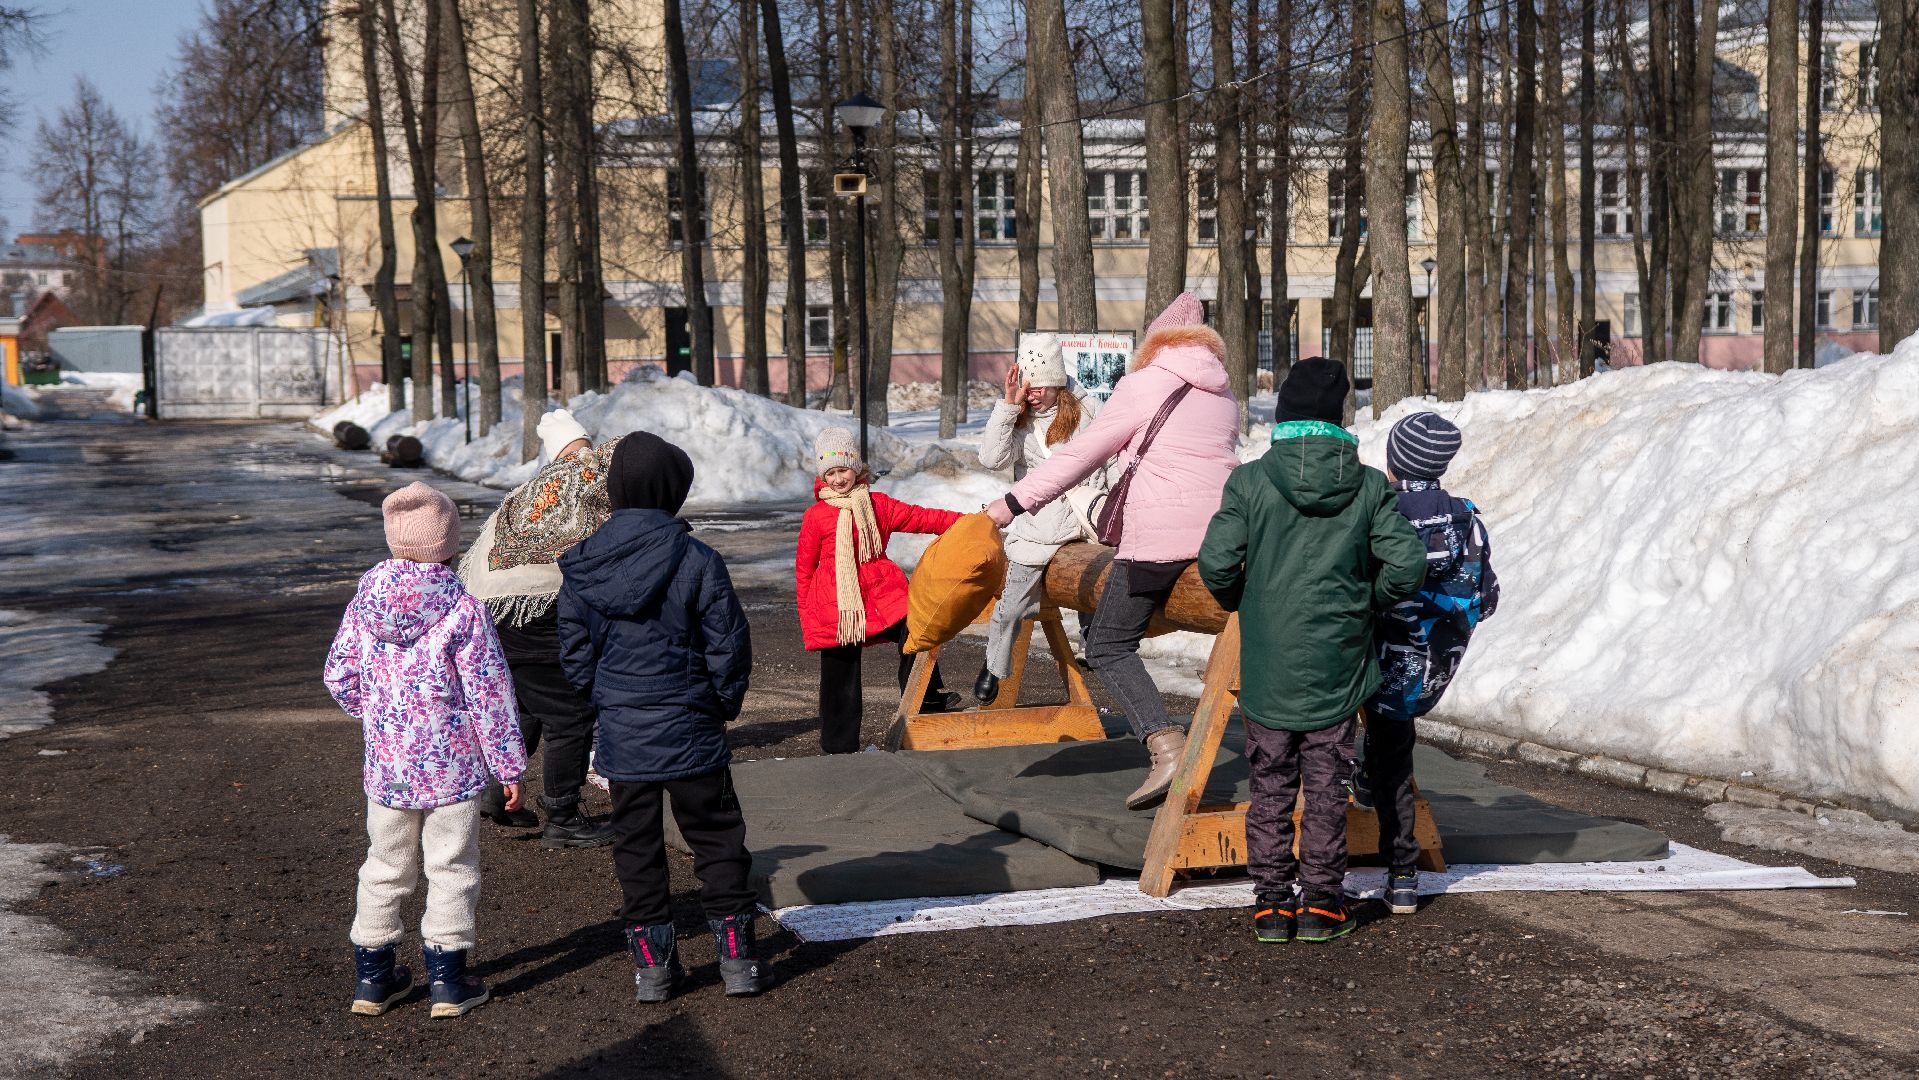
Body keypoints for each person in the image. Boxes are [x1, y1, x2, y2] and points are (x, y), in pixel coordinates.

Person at [1197, 359, 1426, 945]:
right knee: (1327, 785)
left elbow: (1216, 563)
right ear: (1337, 418)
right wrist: (1367, 599)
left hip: (1270, 659)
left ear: (1284, 414)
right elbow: (1407, 565)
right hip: (1338, 661)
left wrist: (1246, 602)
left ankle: (1272, 906)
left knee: (1270, 782)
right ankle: (1322, 905)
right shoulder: (1369, 486)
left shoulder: (1250, 481)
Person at [985, 293, 1241, 810]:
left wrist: (1014, 501)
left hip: (1158, 539)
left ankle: (1166, 746)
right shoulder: (1223, 392)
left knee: (1106, 643)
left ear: (1158, 342)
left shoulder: (1143, 384)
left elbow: (1082, 455)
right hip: (1221, 533)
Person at [557, 432, 767, 1001]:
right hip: (691, 722)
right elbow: (728, 644)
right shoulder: (698, 560)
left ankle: (653, 969)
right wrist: (722, 703)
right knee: (718, 839)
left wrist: (603, 701)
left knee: (636, 846)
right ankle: (738, 961)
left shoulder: (584, 564)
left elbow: (574, 652)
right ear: (673, 491)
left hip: (624, 731)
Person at [325, 481, 527, 1018]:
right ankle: (448, 983)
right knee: (451, 867)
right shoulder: (464, 609)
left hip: (389, 769)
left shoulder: (365, 602)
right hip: (452, 770)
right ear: (450, 545)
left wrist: (380, 715)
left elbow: (339, 674)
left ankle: (373, 981)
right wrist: (509, 765)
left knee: (384, 865)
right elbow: (489, 694)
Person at [458, 408, 616, 849]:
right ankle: (563, 817)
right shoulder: (588, 482)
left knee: (527, 705)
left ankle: (494, 791)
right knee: (571, 716)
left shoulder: (523, 494)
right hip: (539, 613)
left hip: (492, 612)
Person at [1361, 412, 1499, 916]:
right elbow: (1487, 598)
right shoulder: (1468, 520)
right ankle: (1403, 880)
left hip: (1370, 660)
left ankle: (1330, 867)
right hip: (1431, 668)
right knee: (1393, 752)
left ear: (1393, 463)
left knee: (1360, 750)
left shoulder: (1379, 514)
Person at [796, 427, 964, 754]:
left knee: (917, 630)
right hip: (837, 604)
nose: (838, 479)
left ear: (856, 467)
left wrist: (969, 521)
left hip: (881, 593)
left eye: (843, 470)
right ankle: (839, 746)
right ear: (822, 477)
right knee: (839, 674)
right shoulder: (815, 516)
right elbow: (805, 569)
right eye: (830, 473)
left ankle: (926, 701)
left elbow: (921, 517)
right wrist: (808, 617)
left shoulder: (878, 505)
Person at [972, 333, 1109, 704]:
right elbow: (992, 459)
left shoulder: (1087, 409)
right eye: (1027, 387)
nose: (1032, 395)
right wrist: (1007, 406)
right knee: (1012, 604)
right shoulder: (1020, 419)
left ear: (1057, 384)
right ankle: (994, 663)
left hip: (1087, 516)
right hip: (1039, 524)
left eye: (1040, 388)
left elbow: (1111, 457)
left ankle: (1098, 644)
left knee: (1106, 580)